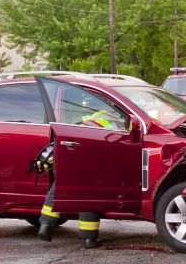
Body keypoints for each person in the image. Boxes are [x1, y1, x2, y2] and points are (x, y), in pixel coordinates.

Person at [36, 106, 123, 250]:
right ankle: (89, 239)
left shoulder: (97, 114)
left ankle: (45, 225)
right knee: (88, 196)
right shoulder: (119, 120)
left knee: (58, 188)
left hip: (73, 153)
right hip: (90, 159)